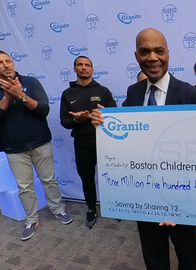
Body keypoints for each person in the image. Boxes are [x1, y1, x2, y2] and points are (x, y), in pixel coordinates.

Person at [91, 28, 196, 270]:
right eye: (145, 52)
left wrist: (184, 202)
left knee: (187, 258)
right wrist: (104, 125)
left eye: (158, 51)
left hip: (180, 198)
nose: (152, 57)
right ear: (136, 56)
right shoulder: (133, 93)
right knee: (153, 260)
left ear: (168, 54)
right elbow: (126, 141)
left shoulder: (190, 95)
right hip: (144, 197)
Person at [0, 50, 73, 241]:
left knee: (49, 180)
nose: (6, 65)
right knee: (25, 187)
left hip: (40, 142)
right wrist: (8, 97)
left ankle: (58, 209)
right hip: (14, 148)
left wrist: (20, 95)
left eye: (8, 61)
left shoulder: (31, 82)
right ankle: (31, 219)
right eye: (0, 63)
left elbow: (43, 109)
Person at [60, 56, 116, 229]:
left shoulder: (103, 91)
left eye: (87, 65)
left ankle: (115, 207)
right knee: (87, 179)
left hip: (105, 142)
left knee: (111, 177)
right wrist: (78, 120)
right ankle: (91, 209)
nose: (84, 68)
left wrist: (104, 115)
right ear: (75, 69)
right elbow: (64, 121)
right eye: (80, 65)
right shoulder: (67, 94)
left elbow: (115, 116)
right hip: (82, 143)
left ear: (92, 70)